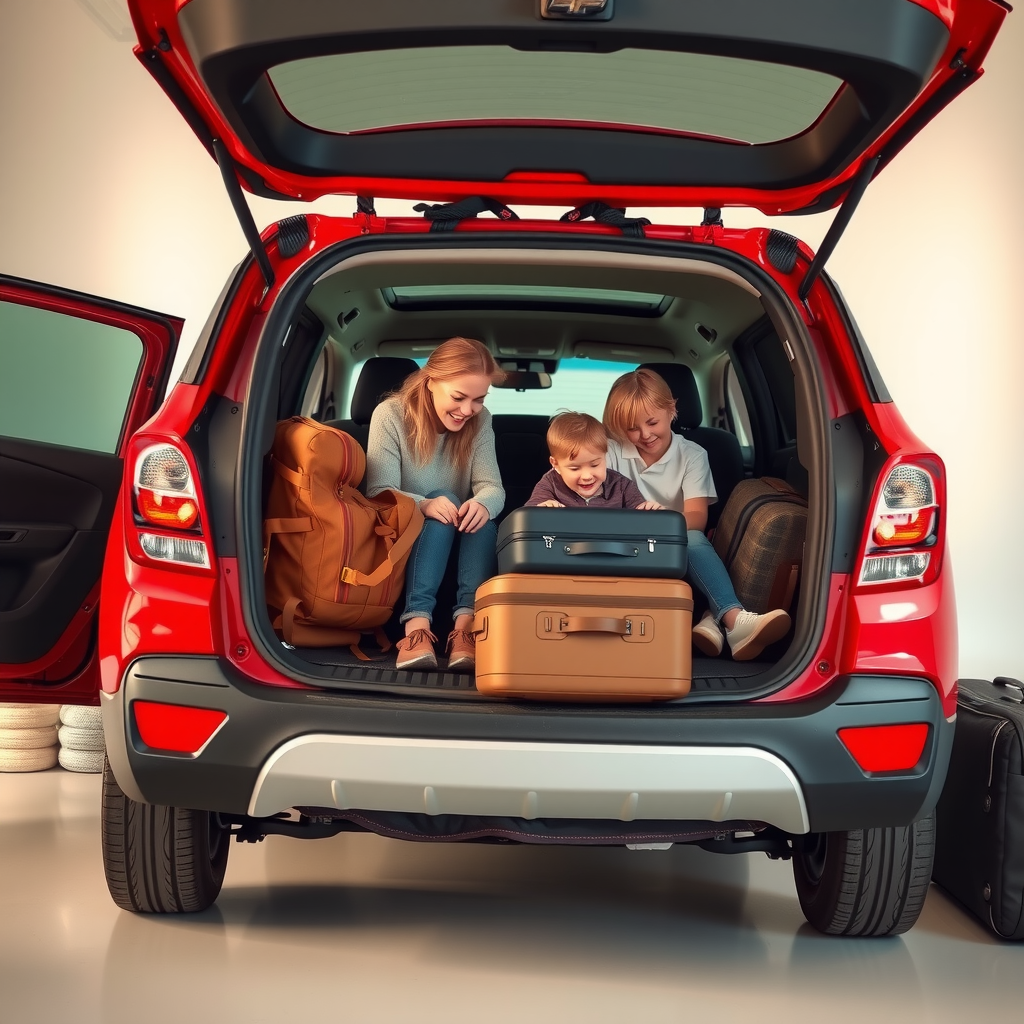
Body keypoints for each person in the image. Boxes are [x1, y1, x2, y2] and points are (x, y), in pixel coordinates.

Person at [603, 368, 791, 661]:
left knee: (692, 538)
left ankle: (732, 619)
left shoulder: (692, 454)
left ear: (672, 408)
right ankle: (713, 620)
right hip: (621, 542)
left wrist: (664, 523)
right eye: (632, 428)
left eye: (652, 422)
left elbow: (696, 517)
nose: (644, 434)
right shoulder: (612, 451)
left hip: (674, 544)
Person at [365, 337, 505, 672]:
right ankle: (416, 631)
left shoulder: (480, 420)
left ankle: (465, 632)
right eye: (459, 397)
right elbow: (378, 492)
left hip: (459, 537)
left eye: (479, 399)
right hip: (405, 534)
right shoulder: (390, 415)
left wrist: (483, 504)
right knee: (447, 497)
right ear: (431, 382)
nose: (468, 409)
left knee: (482, 517)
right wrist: (424, 505)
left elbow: (492, 488)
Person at [525, 411, 664, 509]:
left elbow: (642, 522)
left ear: (605, 456)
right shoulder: (550, 484)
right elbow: (529, 518)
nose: (587, 476)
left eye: (595, 465)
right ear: (556, 465)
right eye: (575, 468)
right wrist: (542, 509)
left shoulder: (621, 486)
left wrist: (648, 511)